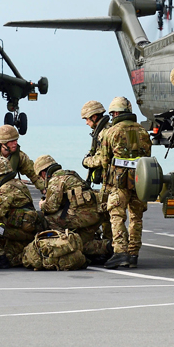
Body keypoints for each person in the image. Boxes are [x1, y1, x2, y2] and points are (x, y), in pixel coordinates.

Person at [85, 96, 151, 269]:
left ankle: (120, 252)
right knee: (136, 218)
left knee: (116, 216)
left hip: (119, 183)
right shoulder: (143, 131)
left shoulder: (111, 132)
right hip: (140, 181)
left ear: (115, 113)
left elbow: (105, 161)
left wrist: (87, 162)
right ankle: (133, 254)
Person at [36, 154, 109, 263]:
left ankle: (62, 242)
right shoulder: (71, 175)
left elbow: (51, 207)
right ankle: (110, 247)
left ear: (43, 173)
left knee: (47, 219)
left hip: (83, 215)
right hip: (96, 213)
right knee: (82, 244)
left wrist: (42, 204)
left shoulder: (56, 180)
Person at [0, 155, 43, 268]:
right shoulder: (18, 183)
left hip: (20, 231)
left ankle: (0, 258)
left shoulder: (6, 188)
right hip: (26, 229)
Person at [80, 100, 113, 244]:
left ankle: (108, 244)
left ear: (94, 117)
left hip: (110, 180)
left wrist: (86, 161)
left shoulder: (104, 133)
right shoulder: (102, 130)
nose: (86, 123)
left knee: (106, 213)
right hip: (109, 178)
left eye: (87, 119)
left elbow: (101, 159)